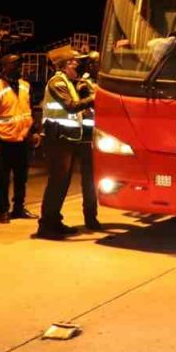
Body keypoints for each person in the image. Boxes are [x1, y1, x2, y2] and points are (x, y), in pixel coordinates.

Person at [34, 47, 95, 240]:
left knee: (62, 183)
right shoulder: (57, 82)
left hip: (65, 139)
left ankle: (54, 221)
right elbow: (70, 107)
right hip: (56, 140)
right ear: (64, 65)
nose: (77, 64)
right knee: (56, 183)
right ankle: (46, 226)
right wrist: (94, 98)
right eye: (73, 61)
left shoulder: (68, 82)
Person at [0, 54, 40, 223]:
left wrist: (34, 131)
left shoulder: (25, 86)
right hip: (4, 141)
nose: (18, 68)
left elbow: (30, 110)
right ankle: (3, 211)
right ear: (4, 67)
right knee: (3, 179)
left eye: (19, 65)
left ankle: (19, 208)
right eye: (14, 65)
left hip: (23, 140)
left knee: (22, 178)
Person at [74, 50, 102, 230]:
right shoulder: (84, 84)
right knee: (89, 179)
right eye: (97, 63)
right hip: (87, 136)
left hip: (101, 134)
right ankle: (90, 217)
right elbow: (88, 104)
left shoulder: (101, 82)